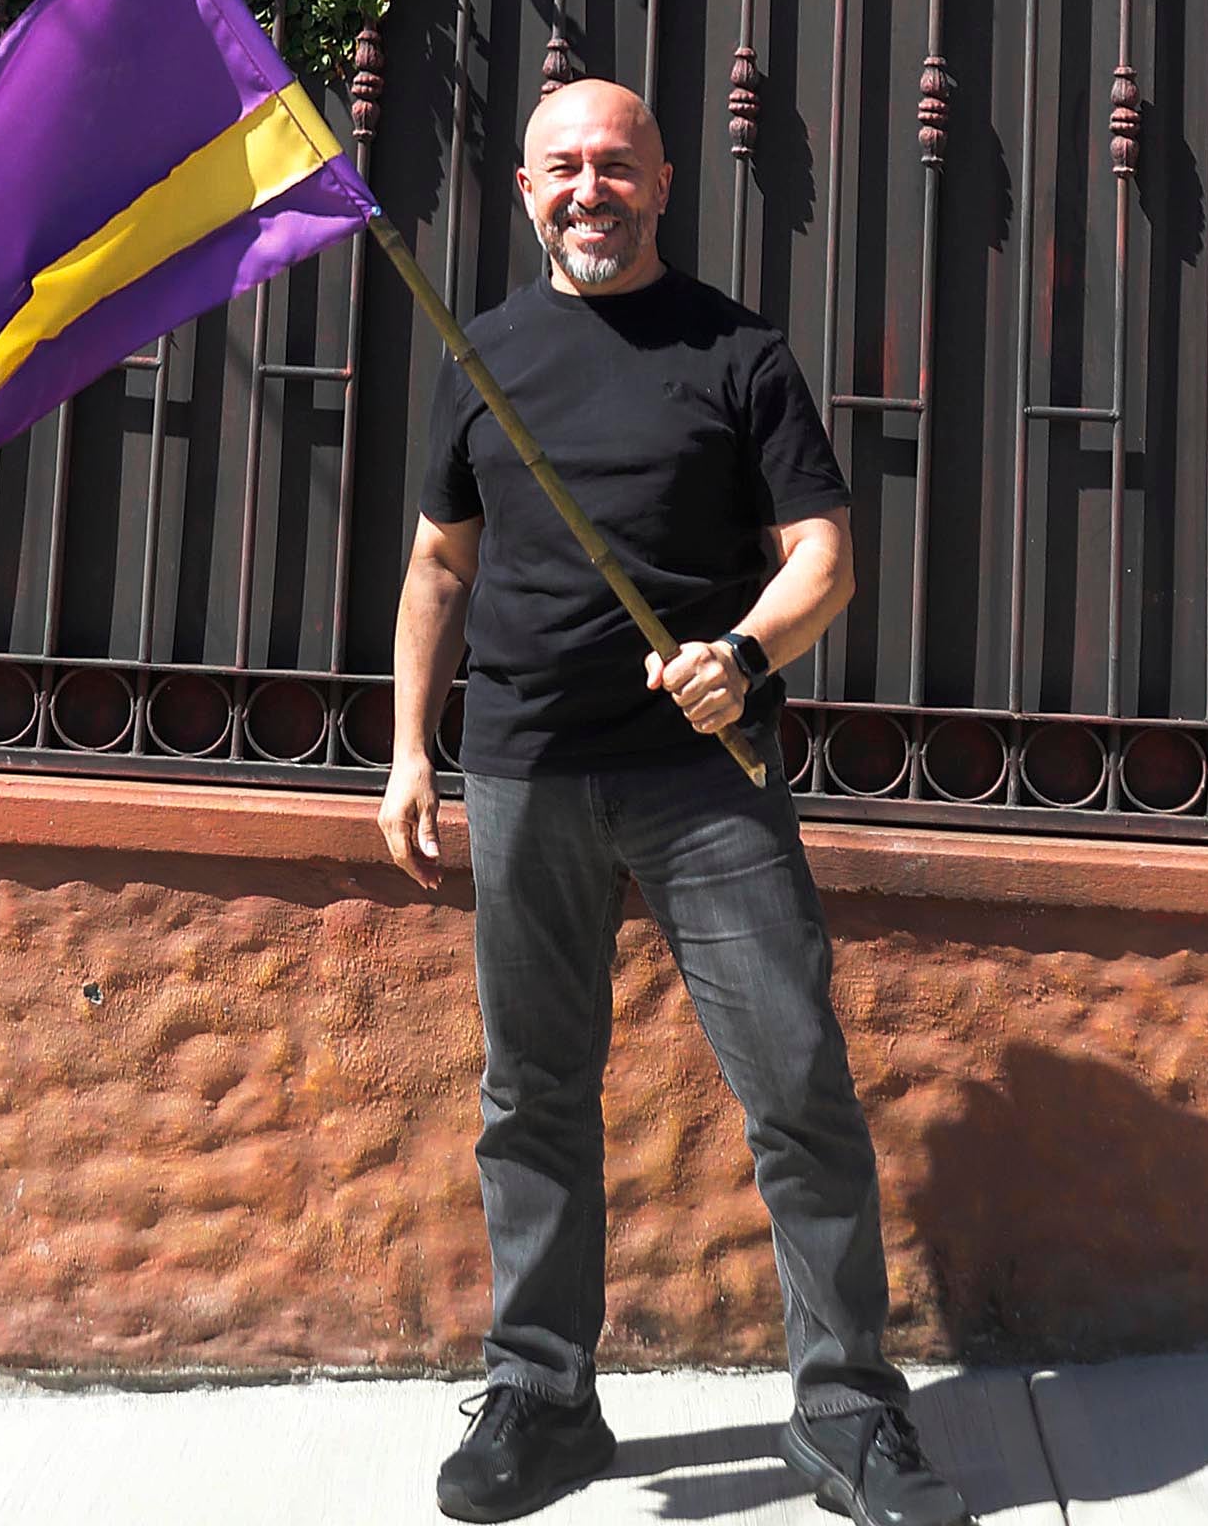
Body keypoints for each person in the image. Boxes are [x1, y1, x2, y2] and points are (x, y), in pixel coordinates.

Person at [381, 77, 967, 1526]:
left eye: (617, 164)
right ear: (524, 193)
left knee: (796, 1088)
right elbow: (440, 571)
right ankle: (545, 1394)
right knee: (531, 1094)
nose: (591, 188)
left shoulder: (738, 354)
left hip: (708, 784)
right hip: (522, 770)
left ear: (662, 182)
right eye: (562, 168)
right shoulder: (480, 351)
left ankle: (843, 1409)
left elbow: (820, 551)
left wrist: (746, 656)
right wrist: (408, 752)